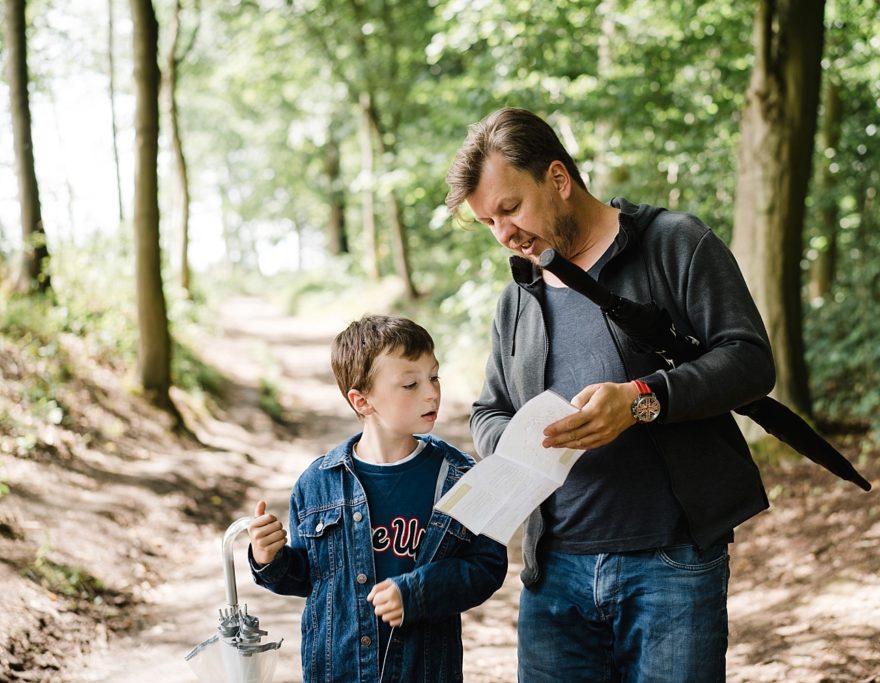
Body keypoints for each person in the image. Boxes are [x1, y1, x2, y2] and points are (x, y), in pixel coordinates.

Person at [445, 107, 776, 683]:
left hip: (672, 563)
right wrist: (520, 439)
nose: (504, 234)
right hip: (554, 578)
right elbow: (488, 411)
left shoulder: (675, 243)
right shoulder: (516, 298)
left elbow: (749, 360)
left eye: (510, 208)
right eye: (488, 223)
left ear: (558, 178)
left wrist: (641, 400)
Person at [246, 314, 508, 683]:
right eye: (410, 384)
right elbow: (310, 578)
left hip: (423, 669)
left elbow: (487, 566)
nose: (431, 392)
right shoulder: (318, 483)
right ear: (362, 400)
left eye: (433, 376)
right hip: (339, 670)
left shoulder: (458, 477)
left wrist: (416, 594)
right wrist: (268, 559)